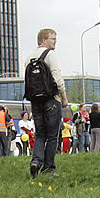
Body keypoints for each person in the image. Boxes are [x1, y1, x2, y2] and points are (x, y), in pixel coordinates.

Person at [25, 28, 68, 177]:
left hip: (36, 101)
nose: (55, 41)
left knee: (40, 134)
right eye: (53, 38)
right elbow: (57, 78)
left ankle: (36, 162)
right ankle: (49, 168)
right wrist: (64, 97)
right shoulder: (50, 55)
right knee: (52, 136)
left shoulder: (29, 57)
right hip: (51, 100)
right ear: (44, 40)